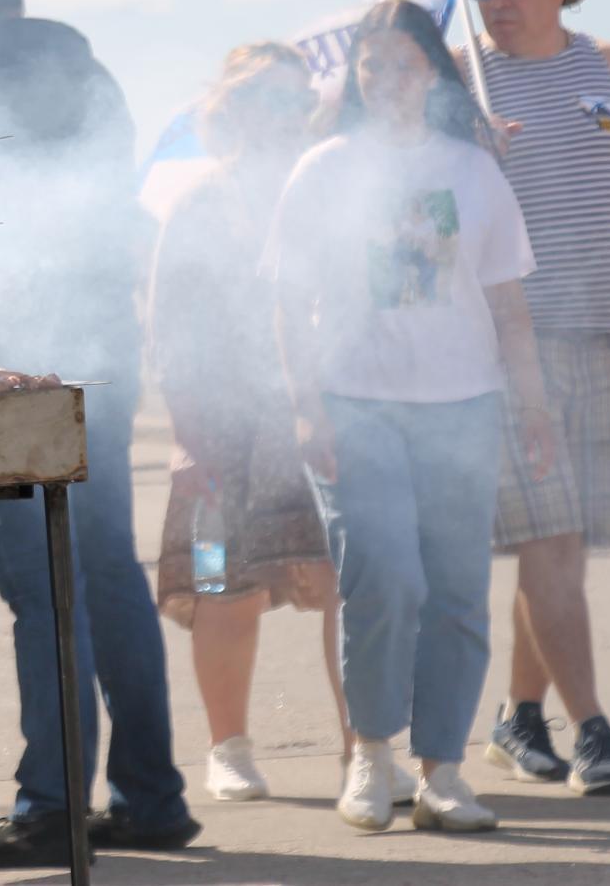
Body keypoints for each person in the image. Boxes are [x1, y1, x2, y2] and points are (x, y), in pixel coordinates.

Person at [0, 0, 197, 867]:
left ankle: (52, 803)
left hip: (19, 366)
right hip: (102, 352)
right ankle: (149, 796)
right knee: (107, 573)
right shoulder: (93, 75)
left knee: (41, 589)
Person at [268, 0, 556, 835]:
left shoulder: (472, 172)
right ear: (356, 78)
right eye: (372, 66)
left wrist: (531, 405)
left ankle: (444, 770)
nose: (387, 80)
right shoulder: (322, 168)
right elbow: (288, 303)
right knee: (384, 578)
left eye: (403, 64)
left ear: (434, 71)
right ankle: (372, 754)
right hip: (355, 404)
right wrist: (304, 409)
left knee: (459, 591)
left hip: (464, 406)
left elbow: (508, 305)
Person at [149, 43, 417, 807]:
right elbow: (168, 331)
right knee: (221, 587)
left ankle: (362, 750)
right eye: (267, 97)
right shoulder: (200, 202)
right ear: (231, 108)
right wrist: (188, 439)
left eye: (298, 98)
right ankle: (227, 747)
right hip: (223, 433)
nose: (288, 113)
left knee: (348, 586)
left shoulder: (335, 185)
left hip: (325, 419)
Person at [445, 0, 610, 796]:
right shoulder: (460, 84)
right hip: (516, 355)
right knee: (552, 539)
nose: (495, 3)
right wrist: (470, 147)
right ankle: (594, 731)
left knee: (570, 548)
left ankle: (519, 715)